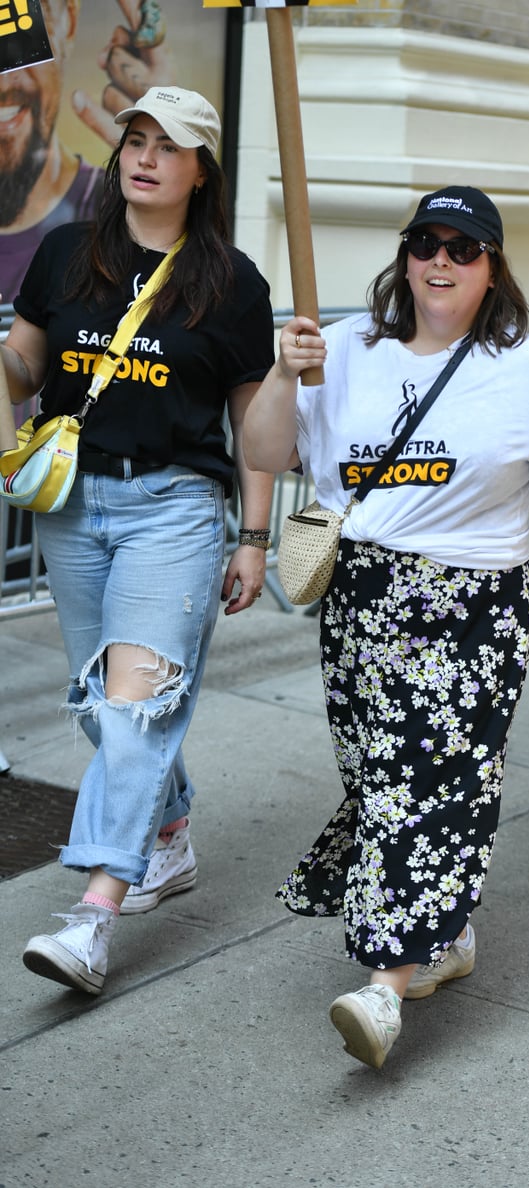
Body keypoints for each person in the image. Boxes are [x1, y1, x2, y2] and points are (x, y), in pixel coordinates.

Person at [243, 185, 529, 1070]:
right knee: (380, 781)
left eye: (464, 247)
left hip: (472, 607)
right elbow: (262, 451)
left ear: (492, 269)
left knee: (427, 784)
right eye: (426, 243)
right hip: (362, 600)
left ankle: (383, 987)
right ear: (405, 257)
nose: (441, 260)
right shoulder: (338, 350)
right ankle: (444, 939)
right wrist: (282, 374)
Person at [3, 85, 275, 994]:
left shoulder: (232, 283)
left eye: (171, 145)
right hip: (73, 509)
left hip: (177, 509)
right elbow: (26, 370)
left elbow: (257, 430)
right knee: (101, 706)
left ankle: (93, 916)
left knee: (134, 709)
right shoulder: (66, 252)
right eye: (135, 140)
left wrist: (255, 537)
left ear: (202, 172)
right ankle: (169, 828)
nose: (146, 157)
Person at [0, 0, 172, 303]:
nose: (3, 86)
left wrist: (164, 194)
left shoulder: (88, 224)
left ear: (69, 20)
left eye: (20, 41)